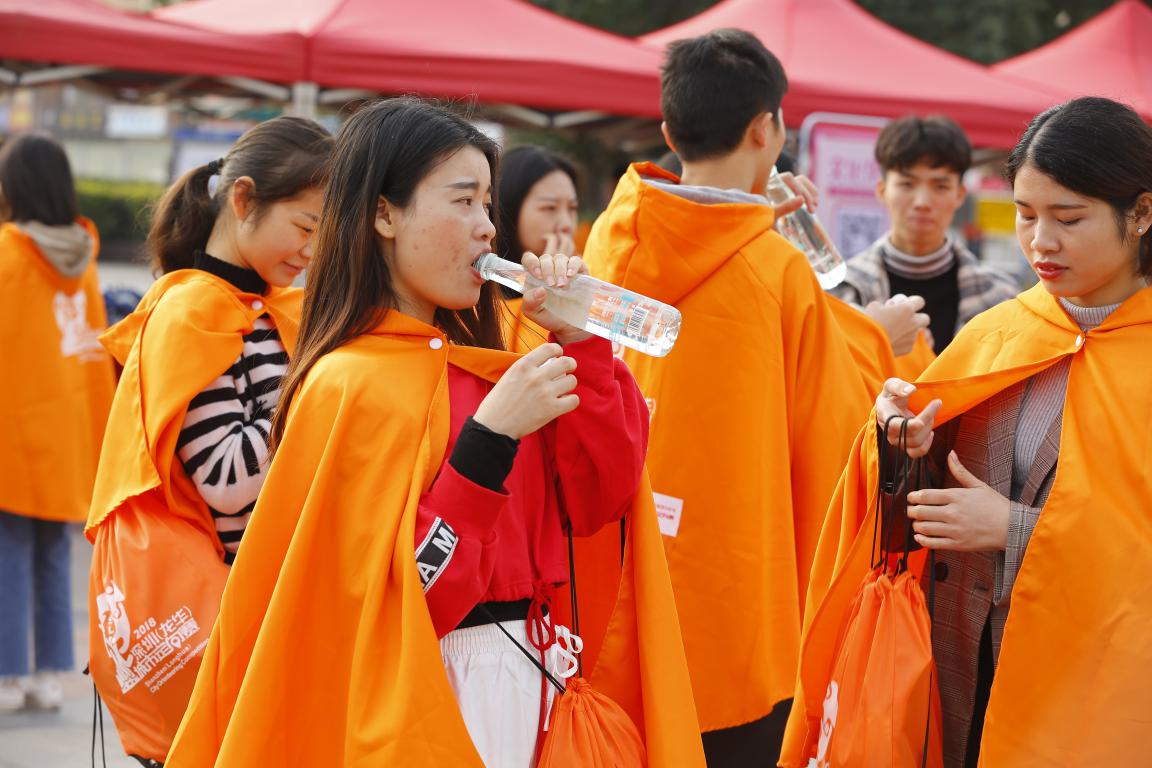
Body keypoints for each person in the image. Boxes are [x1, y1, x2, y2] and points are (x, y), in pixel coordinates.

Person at [166, 97, 704, 768]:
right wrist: (489, 442)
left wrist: (579, 340)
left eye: (488, 204)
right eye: (463, 201)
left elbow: (603, 499)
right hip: (422, 696)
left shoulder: (499, 356)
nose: (487, 228)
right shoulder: (348, 384)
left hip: (537, 676)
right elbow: (403, 601)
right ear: (384, 214)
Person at [783, 96, 1152, 767]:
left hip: (1095, 691)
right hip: (960, 669)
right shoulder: (1002, 331)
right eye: (1026, 214)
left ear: (1142, 213)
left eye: (1068, 218)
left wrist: (1017, 530)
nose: (1040, 241)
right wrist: (900, 441)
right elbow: (911, 493)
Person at [583, 29, 882, 766]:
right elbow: (836, 435)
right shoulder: (776, 270)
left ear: (668, 131)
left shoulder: (606, 243)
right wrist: (884, 336)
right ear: (764, 128)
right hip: (733, 597)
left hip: (603, 573)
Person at [84, 116, 331, 762]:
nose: (311, 250)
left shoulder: (262, 310)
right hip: (220, 610)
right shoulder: (196, 314)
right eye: (304, 226)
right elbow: (225, 480)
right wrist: (316, 397)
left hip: (255, 604)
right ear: (244, 200)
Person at [0, 134, 116, 712]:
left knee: (9, 552)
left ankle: (8, 673)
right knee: (51, 554)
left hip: (13, 430)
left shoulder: (7, 253)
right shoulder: (84, 257)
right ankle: (49, 674)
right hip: (70, 430)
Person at [833, 115, 1016, 354]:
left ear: (960, 195)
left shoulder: (1000, 297)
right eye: (907, 184)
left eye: (940, 186)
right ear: (882, 190)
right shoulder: (843, 292)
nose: (922, 202)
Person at [494, 145, 580, 352]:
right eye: (549, 208)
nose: (566, 223)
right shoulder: (472, 292)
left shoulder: (586, 277)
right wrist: (546, 291)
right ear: (508, 209)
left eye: (572, 208)